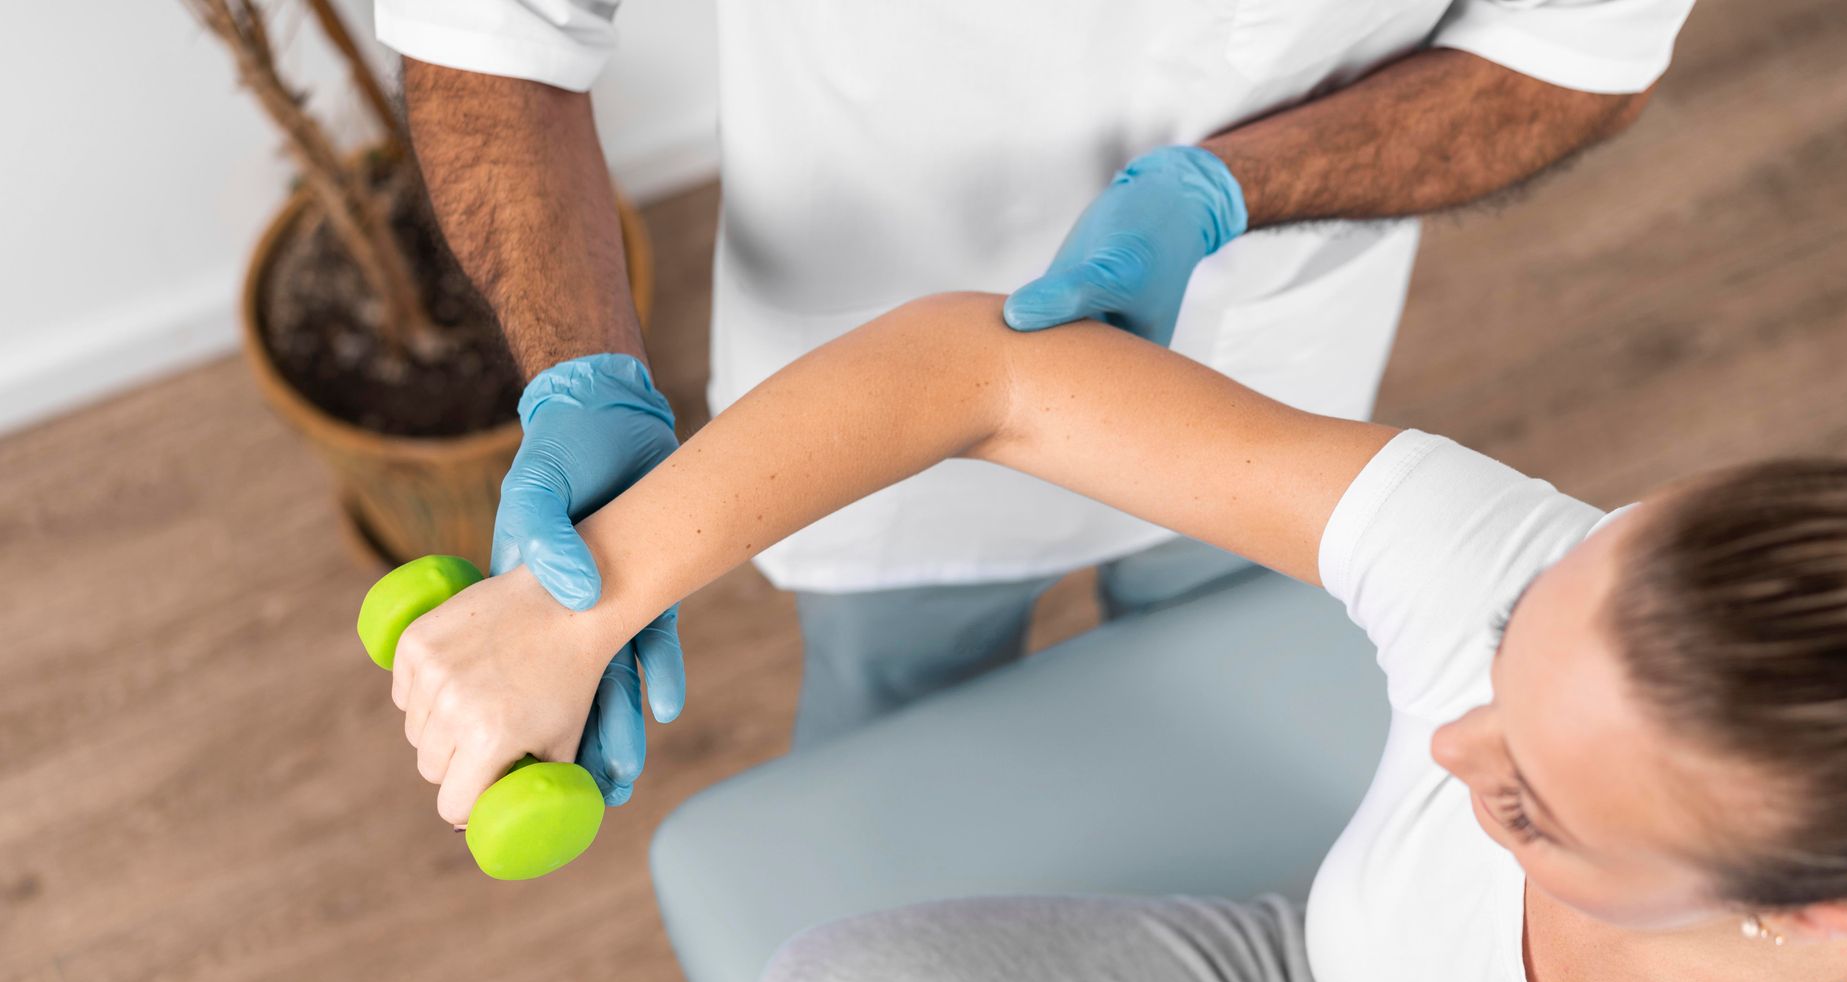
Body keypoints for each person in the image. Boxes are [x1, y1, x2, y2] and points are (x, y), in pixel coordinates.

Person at [387, 295, 1847, 982]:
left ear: (1808, 912)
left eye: (1534, 809)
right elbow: (992, 377)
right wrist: (581, 602)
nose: (1457, 749)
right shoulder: (1523, 573)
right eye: (1506, 669)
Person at [377, 0, 1696, 792]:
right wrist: (579, 378)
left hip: (1270, 345)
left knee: (1234, 699)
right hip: (859, 329)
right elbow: (486, 33)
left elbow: (1573, 51)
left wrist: (1231, 190)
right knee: (899, 731)